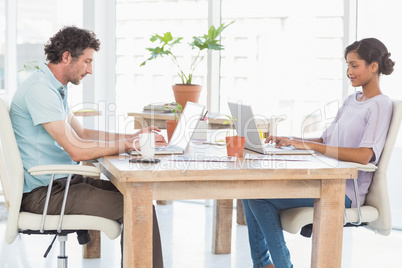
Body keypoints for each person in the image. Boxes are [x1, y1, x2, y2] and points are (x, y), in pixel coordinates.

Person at [10, 26, 166, 267]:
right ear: (66, 57)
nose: (90, 70)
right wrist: (127, 145)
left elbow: (82, 133)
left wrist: (131, 136)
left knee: (139, 198)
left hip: (61, 183)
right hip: (44, 194)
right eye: (87, 61)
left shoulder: (53, 88)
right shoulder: (40, 90)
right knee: (139, 208)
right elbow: (77, 150)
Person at [242, 37, 395, 268]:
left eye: (355, 65)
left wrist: (311, 146)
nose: (349, 71)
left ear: (374, 66)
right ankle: (263, 265)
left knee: (256, 194)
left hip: (344, 191)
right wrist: (294, 140)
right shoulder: (352, 100)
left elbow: (365, 155)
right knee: (249, 189)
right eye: (348, 65)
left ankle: (279, 265)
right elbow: (326, 139)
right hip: (323, 179)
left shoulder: (380, 105)